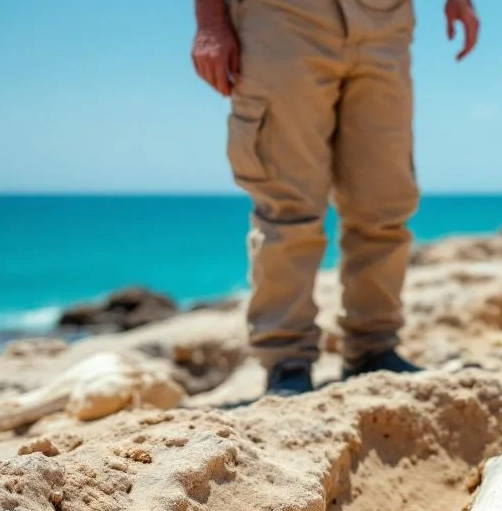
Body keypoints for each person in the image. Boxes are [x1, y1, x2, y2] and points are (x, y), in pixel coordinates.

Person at [191, 0, 481, 396]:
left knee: (383, 203)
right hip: (283, 17)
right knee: (287, 203)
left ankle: (373, 349)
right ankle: (286, 362)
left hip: (385, 19)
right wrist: (210, 23)